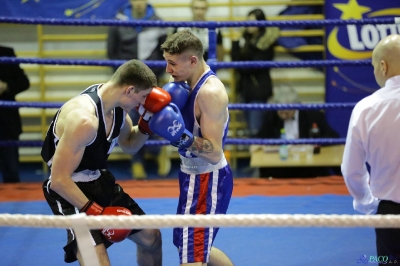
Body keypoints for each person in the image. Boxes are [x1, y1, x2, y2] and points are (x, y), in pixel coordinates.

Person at [40, 59, 164, 265]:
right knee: (97, 262)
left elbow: (130, 145)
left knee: (152, 237)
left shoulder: (118, 110)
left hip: (99, 181)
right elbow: (58, 181)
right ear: (129, 90)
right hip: (69, 192)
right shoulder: (84, 120)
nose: (142, 103)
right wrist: (97, 211)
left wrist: (147, 123)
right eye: (142, 97)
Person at [148, 30, 234, 265]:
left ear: (193, 61)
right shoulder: (184, 86)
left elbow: (215, 152)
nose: (168, 70)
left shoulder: (210, 93)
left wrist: (181, 137)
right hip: (190, 174)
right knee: (188, 244)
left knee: (193, 254)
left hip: (208, 178)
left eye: (172, 63)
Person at [342, 34, 400, 262]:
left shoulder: (366, 109)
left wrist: (368, 204)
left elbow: (351, 170)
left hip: (390, 212)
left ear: (383, 67)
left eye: (375, 66)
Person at [107, 0, 170, 179]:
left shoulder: (158, 21)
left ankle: (160, 155)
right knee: (131, 120)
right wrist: (121, 78)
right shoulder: (118, 20)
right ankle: (137, 163)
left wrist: (160, 74)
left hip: (152, 79)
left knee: (155, 118)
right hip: (128, 83)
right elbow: (112, 52)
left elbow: (165, 53)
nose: (139, 3)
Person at [253, 84, 340, 178]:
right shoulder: (272, 116)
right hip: (280, 167)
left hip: (307, 166)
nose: (283, 116)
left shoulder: (312, 115)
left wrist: (311, 144)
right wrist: (259, 145)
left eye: (287, 112)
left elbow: (333, 136)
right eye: (280, 112)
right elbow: (259, 137)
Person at [230, 8, 280, 137]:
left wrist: (242, 49)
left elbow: (251, 67)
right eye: (248, 21)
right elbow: (236, 63)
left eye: (253, 21)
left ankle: (259, 157)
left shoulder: (266, 43)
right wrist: (235, 43)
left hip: (259, 91)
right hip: (245, 90)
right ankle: (254, 156)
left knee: (256, 130)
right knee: (249, 130)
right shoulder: (246, 40)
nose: (249, 24)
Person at [0, 45, 30, 183]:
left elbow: (23, 82)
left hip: (6, 119)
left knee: (11, 170)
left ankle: (15, 204)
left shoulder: (6, 52)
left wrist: (6, 86)